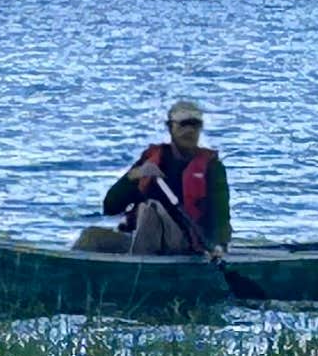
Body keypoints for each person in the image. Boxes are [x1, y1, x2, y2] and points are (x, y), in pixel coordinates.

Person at [77, 99, 234, 255]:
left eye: (195, 125)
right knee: (90, 237)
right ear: (170, 127)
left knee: (151, 209)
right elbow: (110, 207)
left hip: (186, 242)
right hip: (140, 237)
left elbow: (220, 214)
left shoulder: (212, 167)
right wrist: (134, 176)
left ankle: (138, 271)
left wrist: (219, 245)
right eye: (184, 124)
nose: (190, 130)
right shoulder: (151, 159)